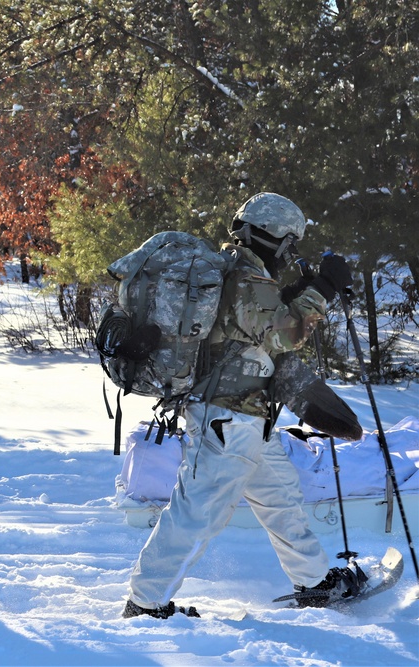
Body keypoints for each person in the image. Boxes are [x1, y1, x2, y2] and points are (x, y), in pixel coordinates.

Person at [123, 192, 357, 619]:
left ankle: (315, 582)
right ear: (281, 239)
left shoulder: (243, 276)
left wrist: (304, 290)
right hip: (226, 421)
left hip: (247, 418)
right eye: (291, 244)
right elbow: (284, 331)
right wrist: (323, 287)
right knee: (198, 512)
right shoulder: (244, 278)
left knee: (281, 499)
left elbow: (263, 320)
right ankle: (145, 602)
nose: (291, 254)